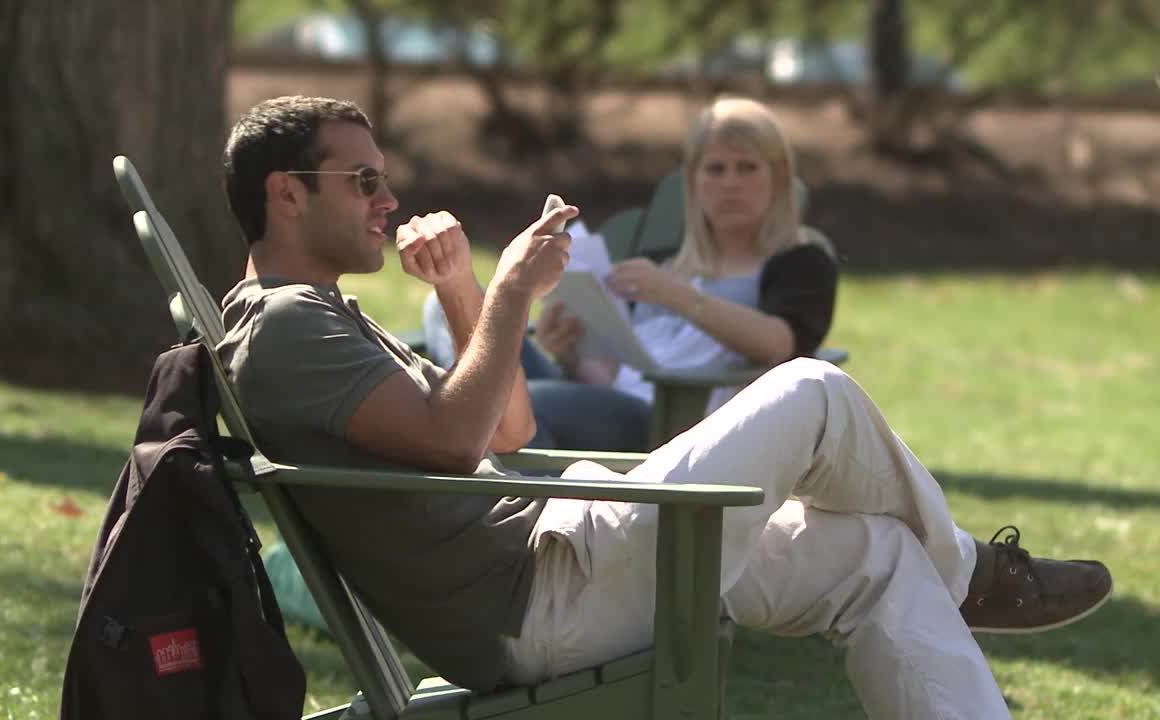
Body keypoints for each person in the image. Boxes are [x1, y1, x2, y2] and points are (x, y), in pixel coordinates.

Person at [215, 95, 1113, 719]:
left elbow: (510, 431)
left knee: (874, 555)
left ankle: (951, 579)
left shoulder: (320, 317)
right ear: (285, 194)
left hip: (560, 552)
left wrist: (462, 290)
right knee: (814, 391)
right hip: (542, 599)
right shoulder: (288, 329)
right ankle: (970, 578)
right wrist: (514, 294)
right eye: (361, 182)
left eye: (384, 179)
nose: (389, 199)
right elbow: (456, 443)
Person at [420, 97, 836, 452]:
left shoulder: (798, 262)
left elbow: (780, 345)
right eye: (715, 169)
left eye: (748, 168)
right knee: (443, 309)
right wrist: (568, 352)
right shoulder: (661, 263)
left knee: (529, 404)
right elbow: (617, 369)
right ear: (693, 182)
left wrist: (680, 297)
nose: (730, 183)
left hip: (672, 424)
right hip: (607, 397)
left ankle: (517, 509)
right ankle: (472, 425)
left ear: (779, 179)